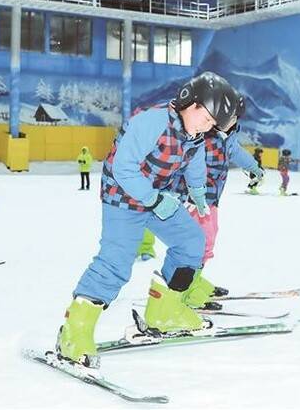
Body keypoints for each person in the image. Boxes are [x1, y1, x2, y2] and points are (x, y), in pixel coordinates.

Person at [56, 72, 241, 368]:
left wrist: (197, 193)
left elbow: (194, 162)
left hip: (158, 198)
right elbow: (122, 168)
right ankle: (73, 333)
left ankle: (165, 310)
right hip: (123, 198)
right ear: (188, 103)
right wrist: (153, 199)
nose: (208, 128)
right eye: (206, 119)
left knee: (192, 241)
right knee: (115, 262)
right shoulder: (151, 123)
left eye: (212, 125)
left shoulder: (194, 136)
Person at [177, 92, 263, 310]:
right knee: (199, 242)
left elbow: (236, 151)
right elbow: (184, 161)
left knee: (207, 238)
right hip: (196, 199)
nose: (232, 122)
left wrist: (253, 167)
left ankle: (194, 280)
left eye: (235, 118)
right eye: (230, 117)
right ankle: (188, 290)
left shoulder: (228, 135)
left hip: (211, 199)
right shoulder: (202, 134)